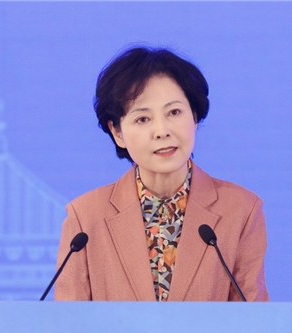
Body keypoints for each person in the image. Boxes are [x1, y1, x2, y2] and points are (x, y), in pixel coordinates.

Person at [54, 46, 269, 302]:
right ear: (117, 132)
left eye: (174, 112)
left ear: (195, 116)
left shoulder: (242, 210)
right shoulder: (85, 218)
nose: (162, 131)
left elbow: (254, 319)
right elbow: (68, 322)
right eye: (143, 119)